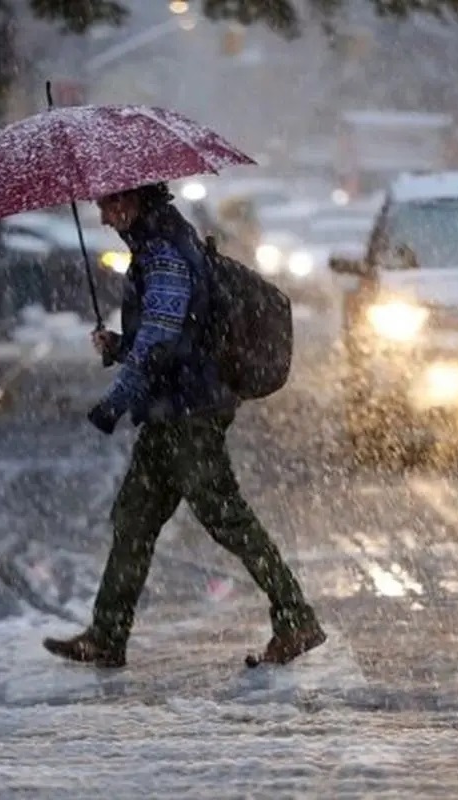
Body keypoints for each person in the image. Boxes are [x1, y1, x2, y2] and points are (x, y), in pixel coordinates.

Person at [43, 182, 325, 667]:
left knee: (227, 519)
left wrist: (115, 400)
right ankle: (107, 634)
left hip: (189, 413)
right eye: (100, 207)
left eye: (110, 205)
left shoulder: (165, 254)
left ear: (135, 200)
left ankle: (296, 618)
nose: (105, 218)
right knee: (134, 518)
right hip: (170, 411)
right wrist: (120, 347)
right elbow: (164, 335)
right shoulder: (160, 244)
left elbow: (161, 341)